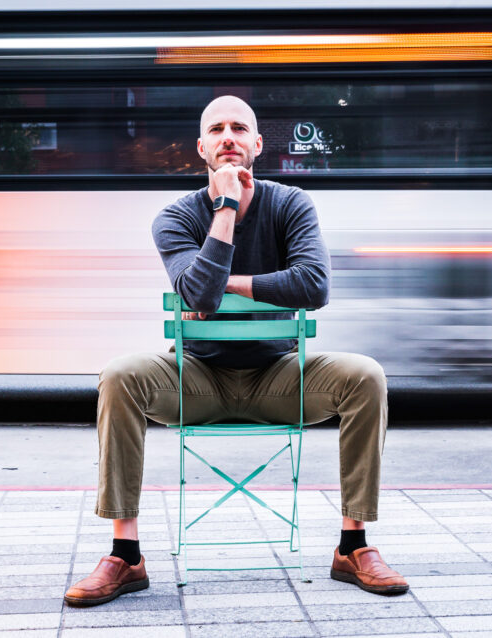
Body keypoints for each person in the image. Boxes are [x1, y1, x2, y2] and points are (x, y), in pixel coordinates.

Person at [64, 95, 407, 607]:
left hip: (281, 378)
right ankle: (125, 555)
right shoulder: (175, 217)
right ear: (201, 148)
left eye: (240, 128)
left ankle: (352, 546)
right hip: (194, 379)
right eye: (218, 130)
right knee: (118, 375)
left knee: (366, 375)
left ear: (257, 144)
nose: (229, 137)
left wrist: (234, 282)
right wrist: (224, 208)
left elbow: (314, 286)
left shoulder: (290, 203)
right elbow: (197, 296)